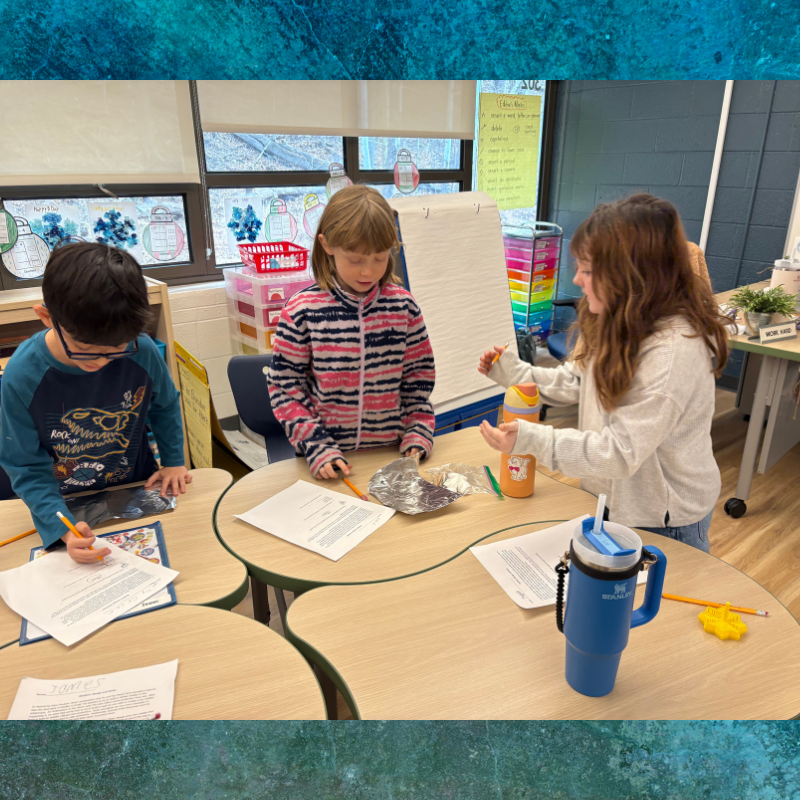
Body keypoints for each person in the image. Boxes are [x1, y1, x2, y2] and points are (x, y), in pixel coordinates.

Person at [479, 194, 730, 552]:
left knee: (654, 606)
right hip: (612, 501)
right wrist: (512, 372)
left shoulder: (674, 350)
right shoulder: (621, 319)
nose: (577, 279)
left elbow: (619, 453)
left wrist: (532, 440)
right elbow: (576, 382)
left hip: (664, 521)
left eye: (588, 269)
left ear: (631, 275)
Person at [0, 243, 191, 563]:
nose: (103, 361)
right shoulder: (22, 374)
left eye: (117, 349)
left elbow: (165, 404)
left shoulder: (140, 350)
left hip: (138, 483)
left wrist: (173, 460)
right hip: (62, 501)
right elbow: (24, 465)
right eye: (86, 349)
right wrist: (61, 526)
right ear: (47, 317)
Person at [268, 185, 435, 478]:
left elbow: (417, 381)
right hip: (325, 461)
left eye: (379, 258)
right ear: (327, 245)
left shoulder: (404, 308)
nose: (368, 272)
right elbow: (285, 388)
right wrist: (316, 444)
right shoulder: (301, 310)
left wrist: (418, 430)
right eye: (356, 260)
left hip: (389, 456)